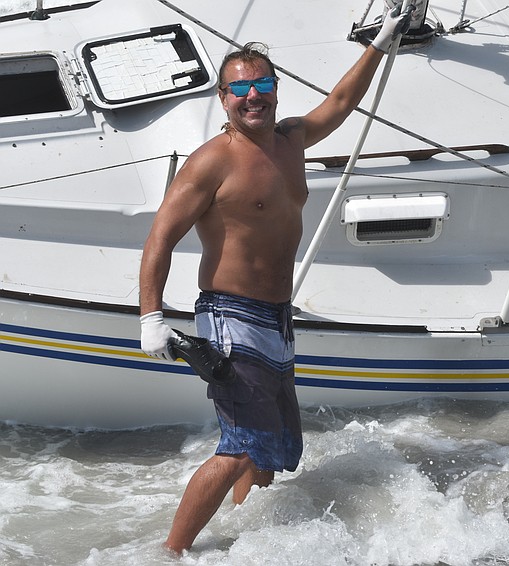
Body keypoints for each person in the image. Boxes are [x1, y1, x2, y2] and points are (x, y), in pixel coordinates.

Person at [138, 7, 412, 555]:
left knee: (271, 448)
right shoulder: (212, 162)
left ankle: (249, 542)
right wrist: (151, 317)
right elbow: (159, 238)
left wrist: (381, 43)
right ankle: (169, 554)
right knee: (241, 444)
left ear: (276, 90)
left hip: (276, 316)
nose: (252, 96)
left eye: (262, 85)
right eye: (240, 89)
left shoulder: (291, 141)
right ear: (223, 98)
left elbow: (341, 101)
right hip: (230, 315)